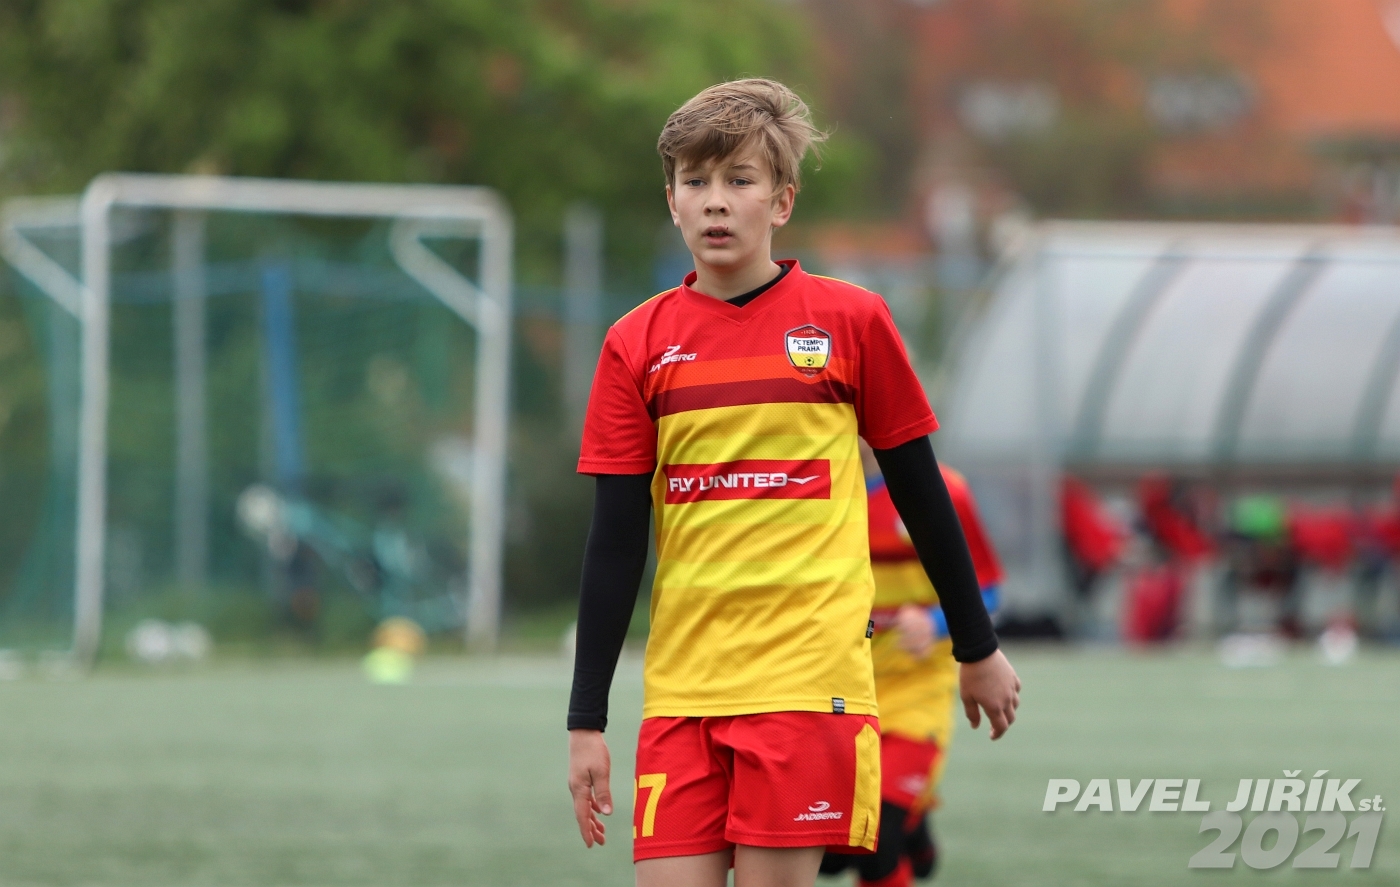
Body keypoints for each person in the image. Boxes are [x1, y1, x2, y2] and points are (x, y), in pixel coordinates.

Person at [566, 78, 1020, 887]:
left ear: (781, 201)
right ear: (671, 199)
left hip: (807, 690)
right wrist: (586, 720)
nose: (715, 200)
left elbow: (920, 492)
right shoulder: (634, 344)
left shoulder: (852, 321)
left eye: (738, 179)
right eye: (695, 180)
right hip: (682, 696)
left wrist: (976, 647)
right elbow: (615, 541)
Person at [820, 446, 1004, 885]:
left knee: (876, 841)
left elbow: (991, 590)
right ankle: (916, 825)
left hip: (917, 688)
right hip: (839, 689)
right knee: (829, 855)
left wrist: (935, 623)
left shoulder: (945, 489)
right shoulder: (809, 487)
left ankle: (905, 816)